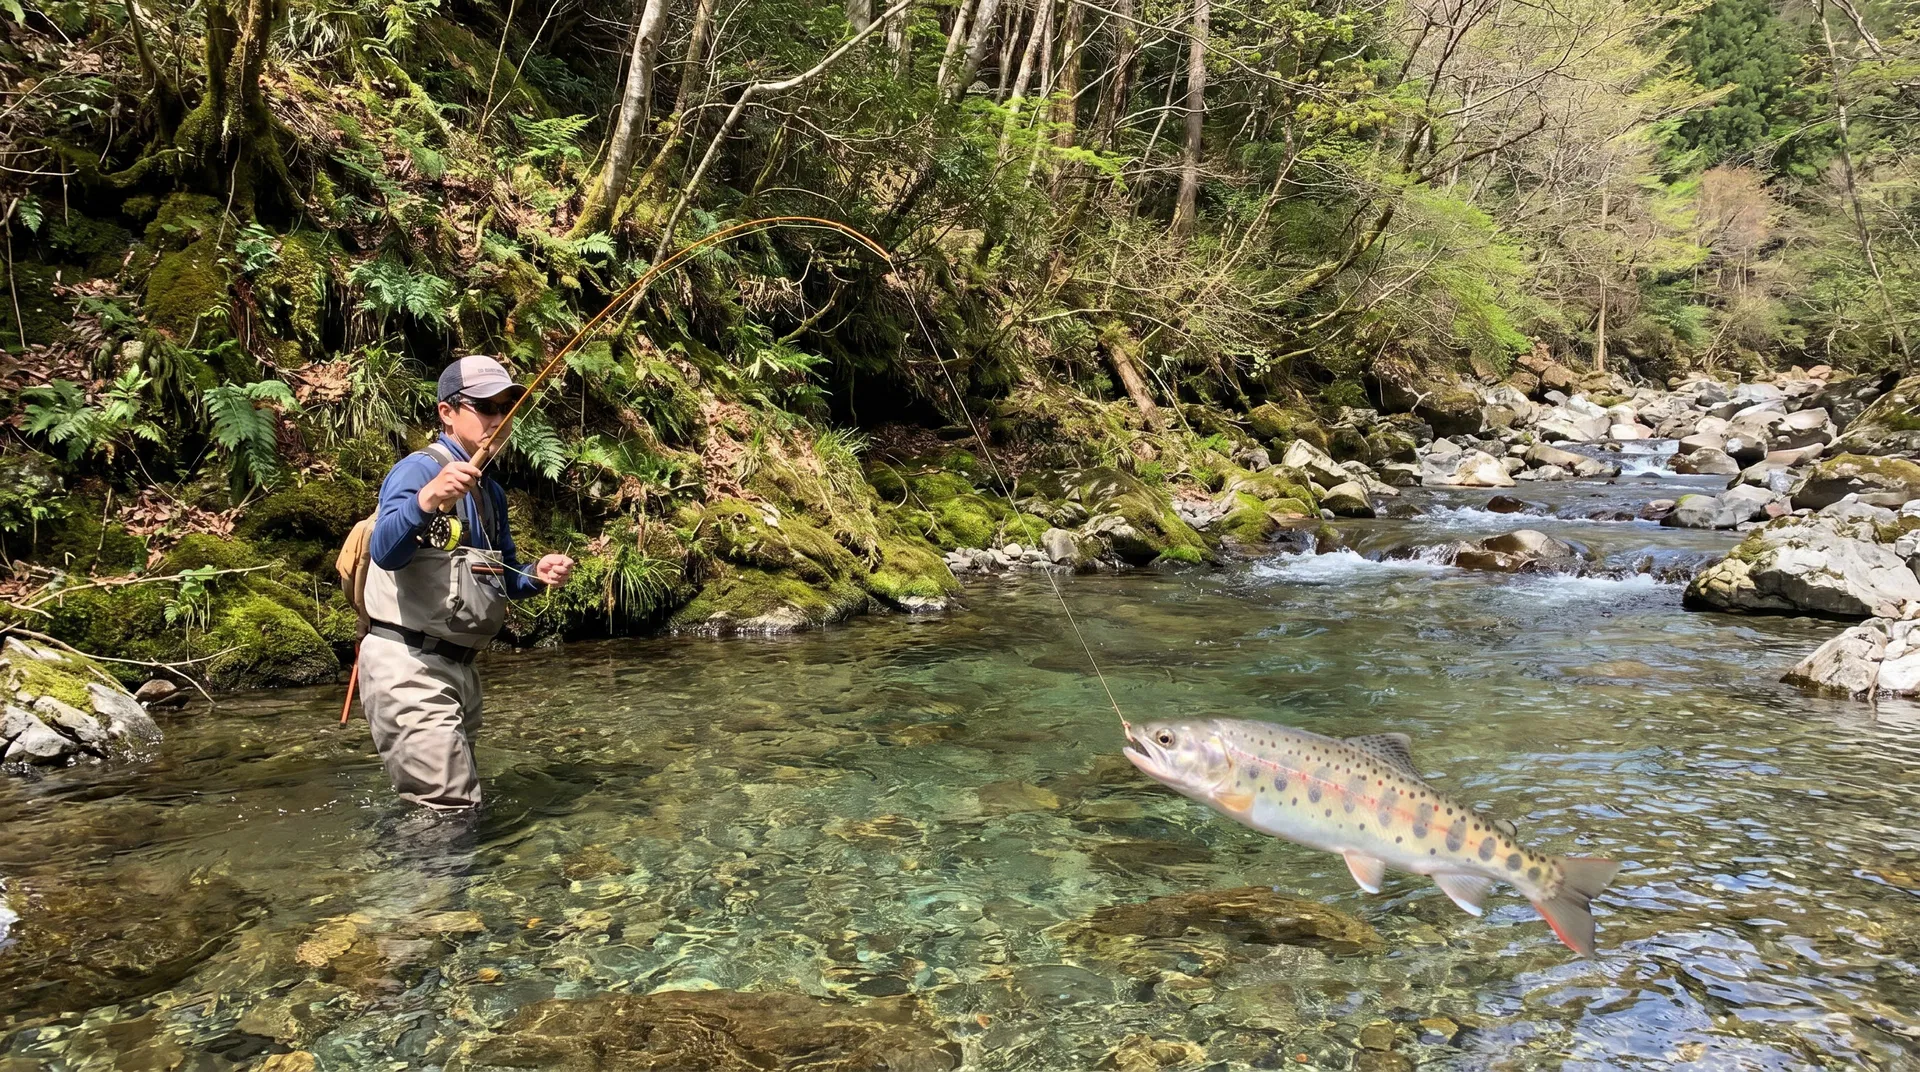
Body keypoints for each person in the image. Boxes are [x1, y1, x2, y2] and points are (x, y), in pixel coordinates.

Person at [359, 355, 574, 810]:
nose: (498, 418)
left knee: (449, 808)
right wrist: (428, 499)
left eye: (506, 407)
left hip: (460, 670)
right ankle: (422, 883)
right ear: (447, 412)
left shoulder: (490, 492)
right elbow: (385, 551)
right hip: (409, 664)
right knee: (450, 813)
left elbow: (503, 578)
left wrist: (536, 574)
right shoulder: (418, 470)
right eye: (485, 406)